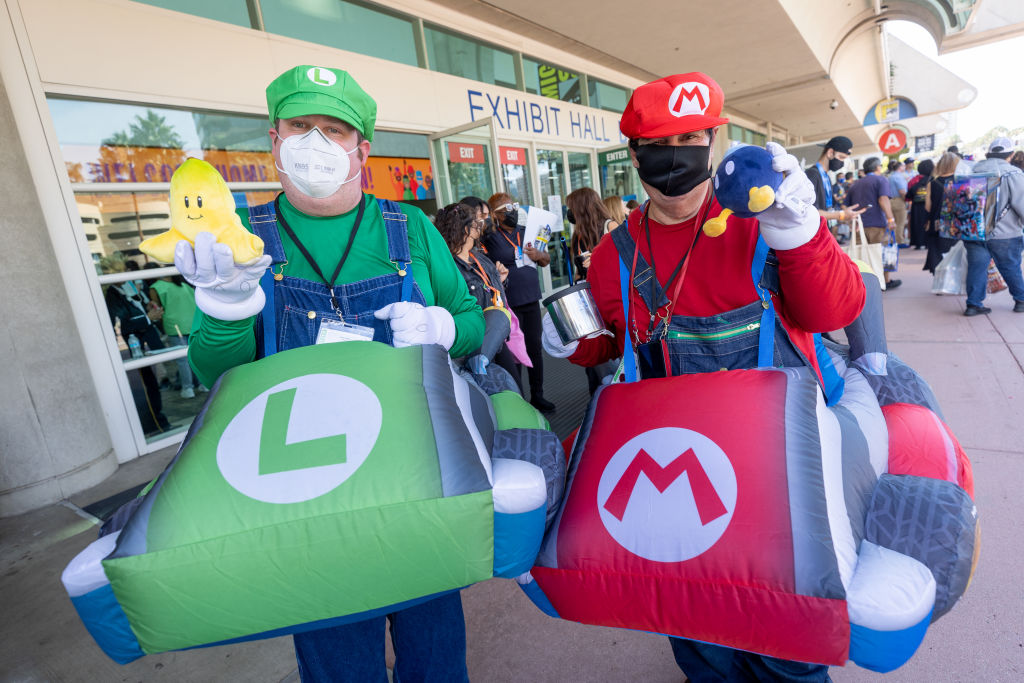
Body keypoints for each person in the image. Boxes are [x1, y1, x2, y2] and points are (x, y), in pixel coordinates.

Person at [541, 71, 864, 682]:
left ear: (712, 141)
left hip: (780, 468)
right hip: (678, 472)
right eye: (659, 144)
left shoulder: (762, 219)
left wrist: (801, 232)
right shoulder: (614, 254)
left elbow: (836, 312)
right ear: (635, 155)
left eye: (690, 138)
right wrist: (578, 347)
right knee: (701, 640)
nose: (675, 158)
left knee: (785, 643)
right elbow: (619, 344)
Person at [180, 64, 483, 682]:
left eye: (334, 129)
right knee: (341, 669)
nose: (315, 142)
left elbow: (471, 321)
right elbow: (217, 373)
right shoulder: (240, 241)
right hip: (300, 502)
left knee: (438, 663)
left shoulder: (411, 227)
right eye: (300, 125)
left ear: (361, 149)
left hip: (413, 486)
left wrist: (444, 330)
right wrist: (227, 309)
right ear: (274, 139)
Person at [483, 192, 555, 413]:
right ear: (495, 215)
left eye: (513, 206)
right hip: (508, 303)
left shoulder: (527, 232)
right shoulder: (490, 238)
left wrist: (538, 255)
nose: (511, 212)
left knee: (534, 349)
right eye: (505, 210)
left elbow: (546, 260)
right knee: (514, 353)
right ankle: (519, 399)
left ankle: (538, 395)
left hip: (531, 299)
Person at [436, 202, 520, 382]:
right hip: (472, 346)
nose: (480, 225)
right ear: (466, 229)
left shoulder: (479, 258)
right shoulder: (449, 267)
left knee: (513, 385)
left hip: (495, 340)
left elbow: (489, 292)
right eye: (476, 221)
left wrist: (500, 281)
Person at [100, 254, 170, 433]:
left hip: (147, 341)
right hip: (135, 346)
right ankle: (154, 423)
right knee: (146, 387)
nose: (126, 273)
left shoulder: (127, 286)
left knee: (152, 384)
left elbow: (140, 304)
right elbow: (122, 324)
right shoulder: (111, 296)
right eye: (122, 270)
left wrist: (150, 308)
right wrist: (148, 318)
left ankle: (159, 420)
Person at [959, 137, 1024, 316]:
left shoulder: (970, 171)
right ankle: (1020, 300)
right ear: (1010, 155)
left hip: (973, 231)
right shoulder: (1013, 173)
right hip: (1005, 233)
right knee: (1010, 266)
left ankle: (973, 304)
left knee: (977, 267)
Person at [566, 187, 615, 394]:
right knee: (592, 361)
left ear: (581, 208)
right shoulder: (578, 233)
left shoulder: (610, 226)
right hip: (586, 299)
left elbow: (627, 262)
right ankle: (596, 401)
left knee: (612, 352)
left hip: (609, 298)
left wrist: (598, 260)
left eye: (571, 208)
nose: (569, 213)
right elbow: (578, 271)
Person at [845, 157, 901, 289]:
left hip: (858, 225)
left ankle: (862, 283)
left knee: (861, 255)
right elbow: (883, 199)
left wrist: (850, 221)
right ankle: (885, 281)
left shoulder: (855, 184)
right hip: (877, 223)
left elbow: (846, 205)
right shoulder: (881, 179)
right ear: (878, 167)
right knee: (880, 252)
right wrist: (891, 219)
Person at [148, 274, 201, 398]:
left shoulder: (156, 287)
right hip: (193, 323)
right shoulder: (184, 285)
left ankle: (188, 388)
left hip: (175, 326)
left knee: (183, 360)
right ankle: (202, 384)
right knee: (196, 356)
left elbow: (157, 310)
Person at [805, 136, 863, 242]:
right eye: (841, 157)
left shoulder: (826, 177)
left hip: (824, 233)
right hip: (813, 238)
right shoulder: (812, 175)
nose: (841, 163)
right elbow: (810, 212)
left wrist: (848, 219)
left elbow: (828, 209)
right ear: (830, 153)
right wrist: (841, 215)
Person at [924, 152, 962, 274]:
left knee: (937, 250)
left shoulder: (932, 182)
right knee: (957, 250)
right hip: (957, 222)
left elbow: (928, 207)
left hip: (937, 222)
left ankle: (939, 279)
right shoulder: (960, 180)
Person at [906, 159, 934, 249]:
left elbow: (908, 194)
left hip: (917, 206)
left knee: (917, 223)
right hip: (930, 205)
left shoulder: (914, 179)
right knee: (929, 223)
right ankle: (928, 243)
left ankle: (918, 243)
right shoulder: (934, 179)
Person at [887, 159, 910, 245]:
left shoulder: (890, 176)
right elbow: (902, 191)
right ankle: (899, 241)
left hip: (890, 201)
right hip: (899, 200)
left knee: (894, 222)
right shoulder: (899, 177)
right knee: (900, 222)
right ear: (900, 167)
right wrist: (906, 201)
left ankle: (893, 240)